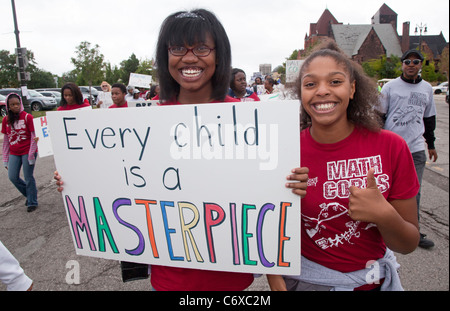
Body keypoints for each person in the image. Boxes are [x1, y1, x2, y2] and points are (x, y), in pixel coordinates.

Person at [54, 8, 308, 291]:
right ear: (165, 57)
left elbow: (268, 189)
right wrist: (75, 179)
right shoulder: (141, 123)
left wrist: (291, 183)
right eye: (177, 48)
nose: (189, 57)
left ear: (218, 55)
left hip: (231, 279)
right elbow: (116, 178)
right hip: (169, 278)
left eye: (201, 47)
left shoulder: (248, 119)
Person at [267, 42, 420, 291]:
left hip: (373, 282)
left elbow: (408, 243)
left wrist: (384, 214)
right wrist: (275, 281)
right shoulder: (285, 151)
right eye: (310, 84)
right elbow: (269, 231)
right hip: (309, 282)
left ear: (352, 89)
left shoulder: (392, 146)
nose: (322, 91)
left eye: (335, 82)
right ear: (301, 93)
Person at [379, 49, 437, 249]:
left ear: (421, 65)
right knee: (386, 188)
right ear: (402, 65)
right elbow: (379, 116)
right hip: (391, 148)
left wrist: (431, 144)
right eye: (407, 61)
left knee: (414, 192)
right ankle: (383, 229)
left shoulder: (427, 89)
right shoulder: (390, 87)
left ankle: (414, 232)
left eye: (415, 62)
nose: (411, 65)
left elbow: (429, 119)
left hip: (415, 149)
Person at [2, 93, 38, 212]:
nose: (15, 106)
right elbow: (6, 140)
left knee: (28, 177)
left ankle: (32, 202)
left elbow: (34, 136)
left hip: (28, 151)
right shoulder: (5, 120)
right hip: (14, 152)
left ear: (21, 104)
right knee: (12, 177)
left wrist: (31, 154)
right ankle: (30, 194)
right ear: (8, 106)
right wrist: (5, 159)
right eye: (12, 104)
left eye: (17, 104)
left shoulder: (28, 117)